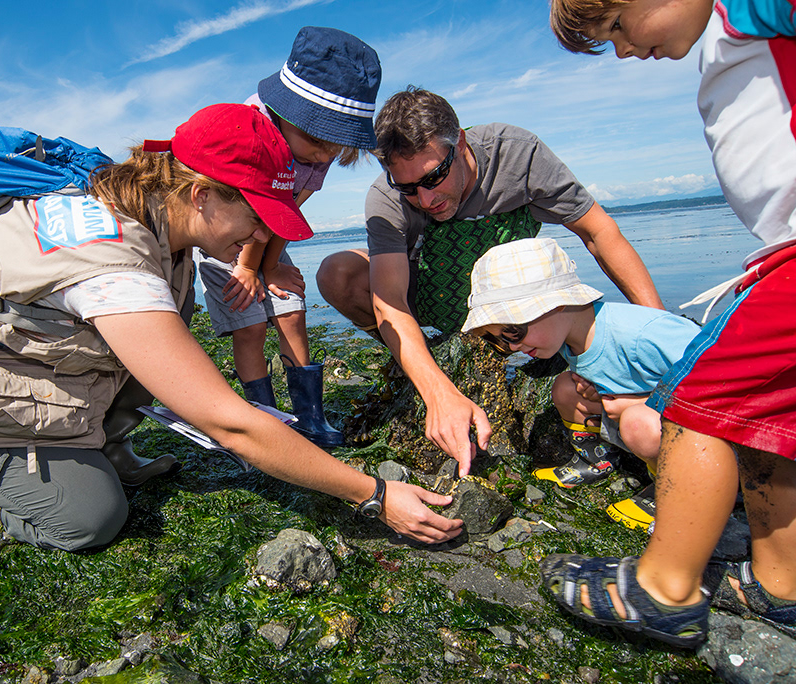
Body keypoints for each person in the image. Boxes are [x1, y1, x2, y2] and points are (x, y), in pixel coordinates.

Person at [0, 103, 462, 552]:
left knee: (174, 354)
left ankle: (102, 443)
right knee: (92, 520)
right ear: (201, 195)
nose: (259, 234)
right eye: (256, 214)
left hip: (56, 373)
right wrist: (376, 494)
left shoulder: (156, 220)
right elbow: (233, 427)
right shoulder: (113, 264)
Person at [540, 0, 796, 647]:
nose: (622, 52)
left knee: (696, 402)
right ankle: (782, 583)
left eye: (617, 28)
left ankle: (663, 591)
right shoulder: (724, 41)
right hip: (779, 259)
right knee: (767, 426)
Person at [316, 87, 664, 478]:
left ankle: (513, 347)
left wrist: (654, 337)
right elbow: (390, 301)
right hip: (432, 295)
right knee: (338, 272)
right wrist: (437, 391)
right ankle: (421, 356)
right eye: (409, 188)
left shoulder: (516, 154)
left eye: (435, 177)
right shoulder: (386, 197)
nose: (426, 199)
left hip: (513, 305)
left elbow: (599, 232)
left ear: (459, 141)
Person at [195, 26, 381, 448]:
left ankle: (308, 417)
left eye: (336, 147)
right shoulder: (252, 128)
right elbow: (257, 208)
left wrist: (272, 265)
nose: (324, 155)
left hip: (270, 239)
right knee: (250, 328)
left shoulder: (319, 147)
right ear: (284, 113)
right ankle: (265, 422)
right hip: (224, 240)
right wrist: (247, 266)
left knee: (292, 313)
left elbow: (288, 211)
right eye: (316, 141)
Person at [462, 238, 700, 531]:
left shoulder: (643, 333)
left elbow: (723, 386)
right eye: (496, 339)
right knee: (565, 388)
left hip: (703, 437)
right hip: (646, 421)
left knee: (639, 422)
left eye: (513, 332)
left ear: (558, 304)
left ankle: (678, 490)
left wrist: (639, 402)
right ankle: (596, 459)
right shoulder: (569, 338)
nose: (511, 347)